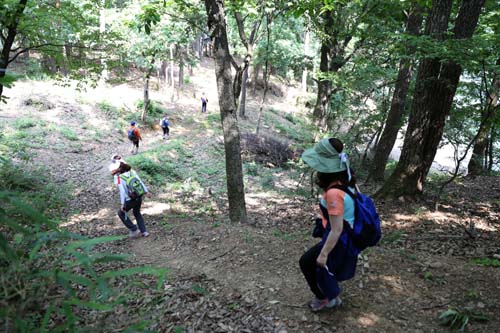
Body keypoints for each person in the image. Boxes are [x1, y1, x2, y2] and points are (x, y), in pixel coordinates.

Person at [299, 138, 360, 312]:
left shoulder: (333, 193)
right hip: (347, 237)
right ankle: (333, 296)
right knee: (324, 267)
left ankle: (326, 298)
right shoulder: (347, 180)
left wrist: (324, 253)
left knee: (309, 262)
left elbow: (337, 229)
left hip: (340, 239)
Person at [111, 162, 152, 238]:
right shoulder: (132, 172)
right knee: (137, 212)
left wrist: (122, 204)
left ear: (118, 169)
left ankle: (134, 229)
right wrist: (146, 192)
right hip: (139, 196)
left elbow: (122, 192)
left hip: (130, 200)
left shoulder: (120, 178)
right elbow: (140, 182)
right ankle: (144, 231)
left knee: (121, 213)